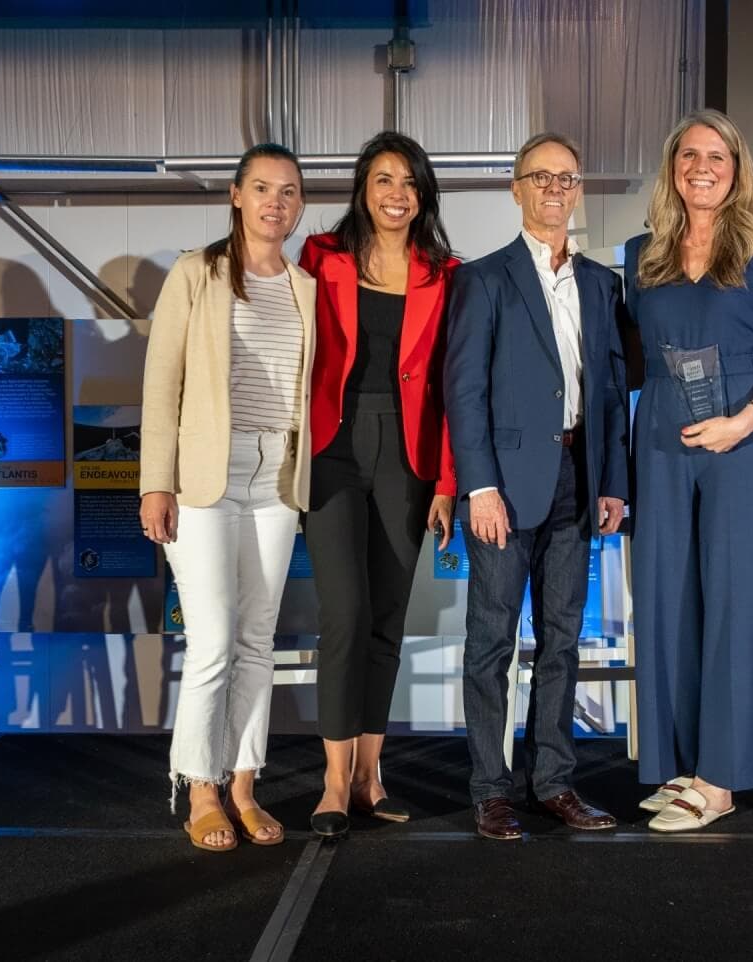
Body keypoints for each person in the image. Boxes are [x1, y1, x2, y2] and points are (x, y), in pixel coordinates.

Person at [624, 109, 753, 832]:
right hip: (664, 435)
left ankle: (723, 779)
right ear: (673, 166)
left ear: (738, 169)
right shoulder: (644, 253)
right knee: (668, 598)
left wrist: (744, 421)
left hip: (746, 436)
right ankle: (680, 763)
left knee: (739, 602)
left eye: (718, 157)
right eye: (689, 155)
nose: (702, 167)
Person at [444, 132, 630, 841]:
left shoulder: (601, 284)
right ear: (516, 189)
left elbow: (610, 389)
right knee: (491, 641)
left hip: (578, 482)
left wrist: (613, 480)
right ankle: (491, 790)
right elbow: (463, 392)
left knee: (561, 641)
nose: (555, 189)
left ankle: (552, 782)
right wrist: (478, 486)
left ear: (579, 191)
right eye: (541, 177)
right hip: (506, 487)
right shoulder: (484, 279)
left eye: (567, 178)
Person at [139, 143, 316, 852]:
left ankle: (244, 783)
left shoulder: (306, 285)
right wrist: (156, 480)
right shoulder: (196, 274)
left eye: (291, 191)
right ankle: (199, 787)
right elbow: (161, 384)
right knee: (212, 639)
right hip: (205, 473)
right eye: (264, 188)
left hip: (278, 476)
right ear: (237, 196)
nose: (277, 202)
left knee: (256, 640)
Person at [297, 131, 460, 838]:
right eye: (383, 179)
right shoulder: (320, 258)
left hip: (410, 453)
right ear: (362, 187)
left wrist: (448, 483)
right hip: (332, 446)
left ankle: (371, 777)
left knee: (388, 621)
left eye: (409, 182)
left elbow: (457, 388)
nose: (397, 194)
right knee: (345, 615)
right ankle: (333, 784)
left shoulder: (446, 272)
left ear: (423, 195)